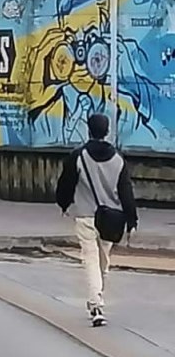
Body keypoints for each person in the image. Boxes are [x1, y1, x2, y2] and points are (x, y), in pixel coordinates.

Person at [55, 113, 138, 327]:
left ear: (89, 130)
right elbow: (126, 190)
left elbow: (66, 183)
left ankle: (96, 302)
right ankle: (97, 299)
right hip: (111, 217)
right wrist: (132, 219)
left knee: (91, 259)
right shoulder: (118, 159)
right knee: (103, 260)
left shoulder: (78, 156)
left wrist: (63, 204)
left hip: (85, 215)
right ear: (107, 131)